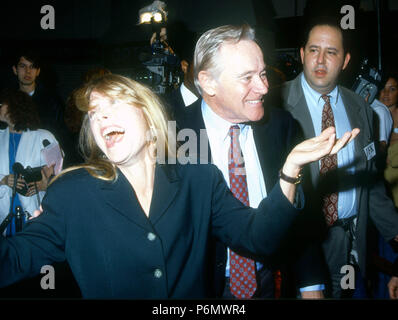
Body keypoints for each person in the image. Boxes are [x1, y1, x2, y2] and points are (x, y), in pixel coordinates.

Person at [0, 74, 356, 299]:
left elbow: (258, 237)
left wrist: (290, 169)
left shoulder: (200, 181)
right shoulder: (73, 193)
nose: (102, 117)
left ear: (150, 118)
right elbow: (15, 258)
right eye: (94, 114)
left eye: (115, 105)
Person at [175, 24, 346, 299]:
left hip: (273, 282)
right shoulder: (172, 137)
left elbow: (300, 214)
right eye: (247, 78)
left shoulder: (280, 126)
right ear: (207, 82)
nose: (264, 87)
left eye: (263, 73)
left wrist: (311, 286)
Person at [280, 18, 398, 298]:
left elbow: (370, 182)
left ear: (345, 61)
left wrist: (395, 231)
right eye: (313, 50)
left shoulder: (362, 109)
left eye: (331, 52)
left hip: (349, 243)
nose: (320, 60)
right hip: (299, 247)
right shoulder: (275, 106)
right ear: (301, 54)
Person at [0, 88, 57, 234]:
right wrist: (4, 180)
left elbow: (61, 175)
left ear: (15, 106)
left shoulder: (44, 137)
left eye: (2, 104)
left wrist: (46, 185)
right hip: (4, 215)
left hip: (35, 212)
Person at [12, 50, 66, 148]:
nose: (28, 71)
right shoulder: (7, 101)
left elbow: (61, 134)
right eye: (23, 66)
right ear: (15, 70)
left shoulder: (52, 101)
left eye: (32, 67)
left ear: (38, 71)